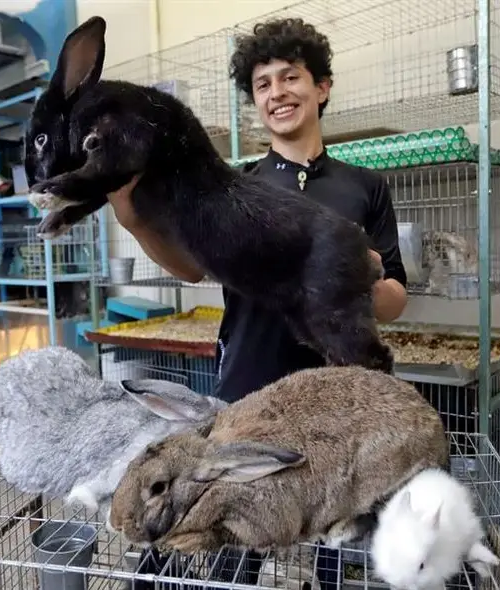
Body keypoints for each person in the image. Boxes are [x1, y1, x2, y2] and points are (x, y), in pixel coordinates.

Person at [107, 17, 409, 590]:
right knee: (232, 536)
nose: (277, 93)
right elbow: (193, 268)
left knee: (329, 522)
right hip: (246, 383)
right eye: (263, 85)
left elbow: (393, 303)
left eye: (290, 77)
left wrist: (361, 269)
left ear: (321, 87)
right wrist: (131, 216)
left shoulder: (364, 188)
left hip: (334, 392)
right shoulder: (232, 186)